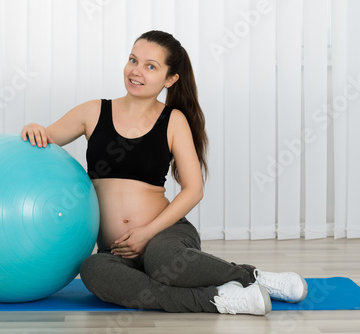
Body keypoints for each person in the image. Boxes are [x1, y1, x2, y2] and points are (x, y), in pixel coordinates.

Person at [21, 30, 307, 315]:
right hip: (116, 249)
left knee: (161, 261)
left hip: (165, 235)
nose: (136, 71)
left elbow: (194, 190)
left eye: (150, 66)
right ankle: (219, 298)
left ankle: (251, 278)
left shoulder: (173, 120)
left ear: (170, 79)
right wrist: (34, 128)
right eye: (133, 60)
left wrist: (146, 233)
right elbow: (44, 138)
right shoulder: (93, 111)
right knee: (93, 270)